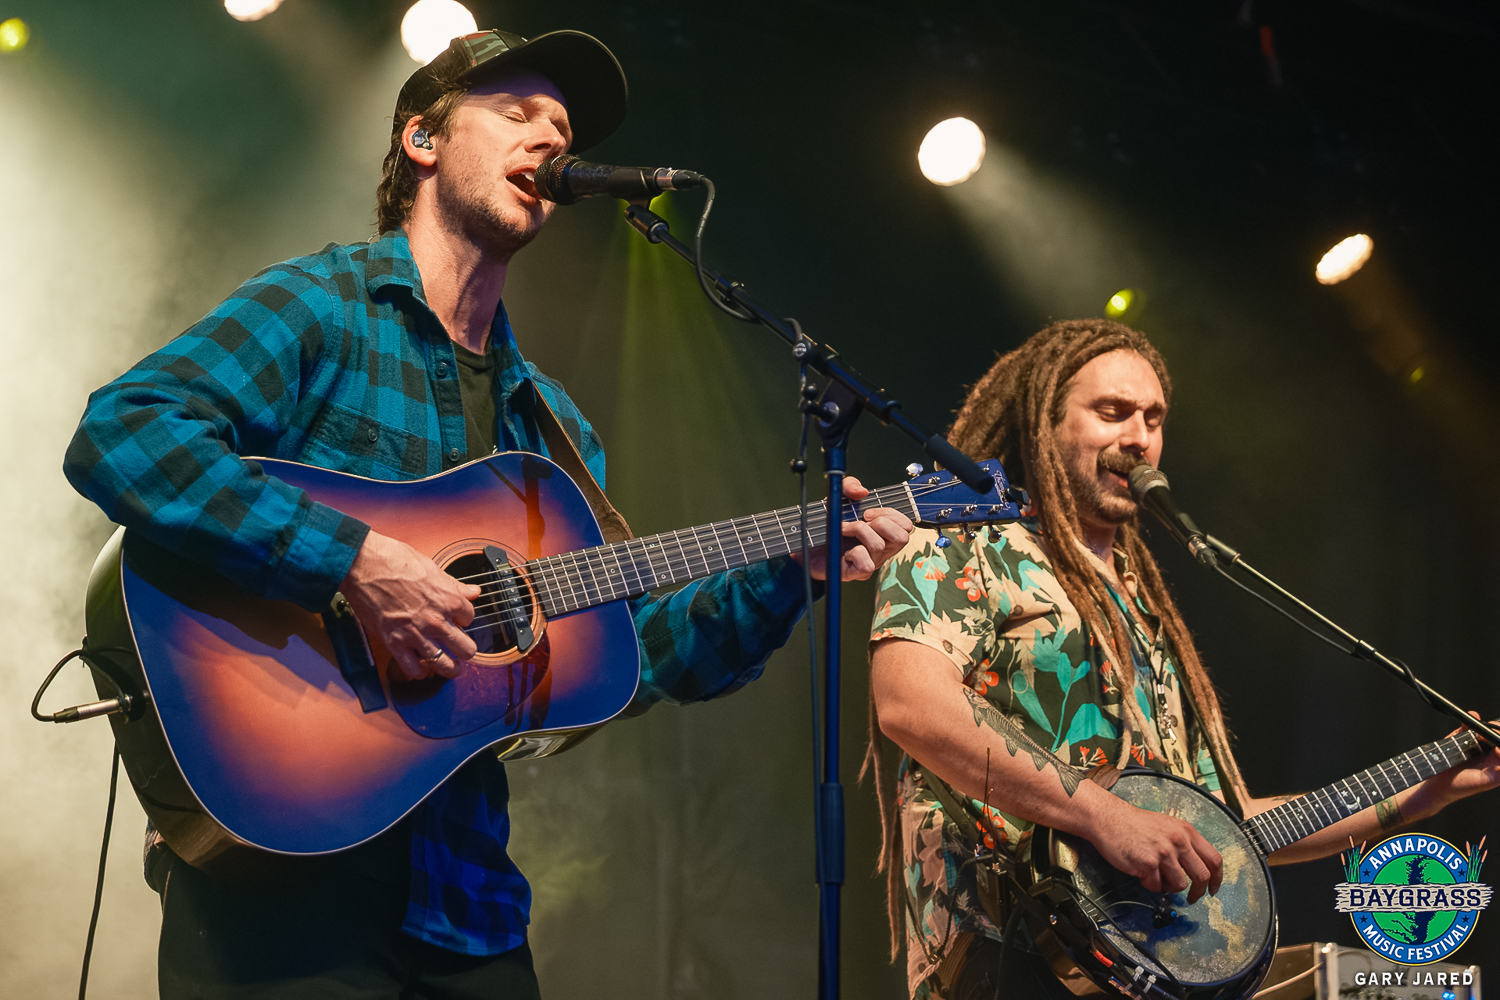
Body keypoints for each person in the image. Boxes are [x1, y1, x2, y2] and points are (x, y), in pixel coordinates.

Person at [63, 27, 913, 999]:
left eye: (563, 128)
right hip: (280, 878)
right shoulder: (322, 306)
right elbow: (124, 431)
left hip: (466, 905)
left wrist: (791, 570)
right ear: (422, 139)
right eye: (517, 112)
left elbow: (634, 660)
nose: (553, 138)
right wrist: (349, 560)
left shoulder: (553, 433)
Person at [865, 319, 1500, 999]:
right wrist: (1105, 817)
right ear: (1041, 423)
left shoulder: (1143, 606)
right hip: (1004, 950)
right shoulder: (961, 544)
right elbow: (911, 703)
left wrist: (1427, 793)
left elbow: (1220, 831)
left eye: (1153, 417)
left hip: (1139, 969)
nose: (1139, 436)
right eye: (1111, 412)